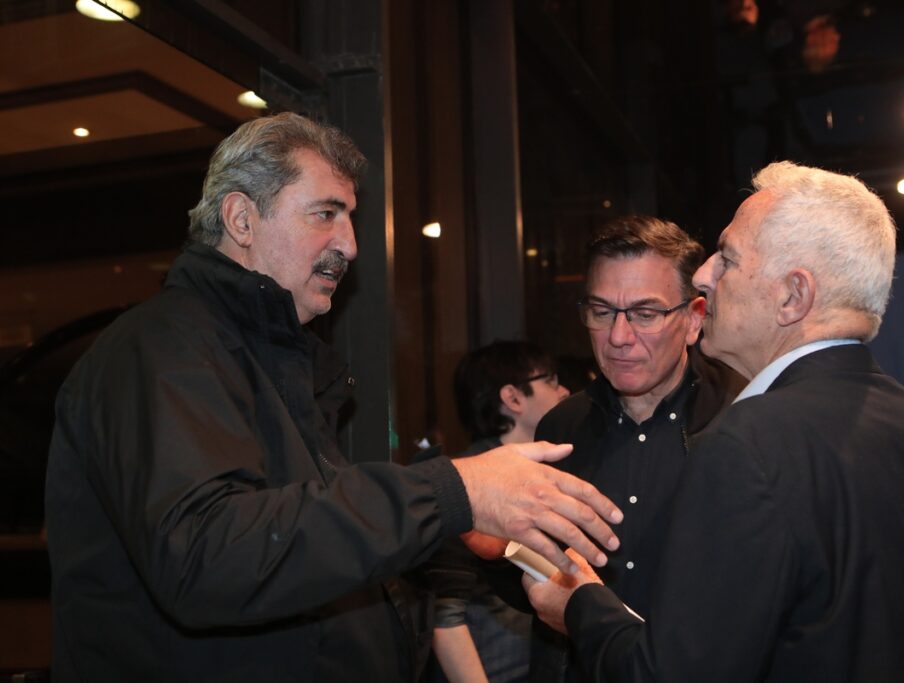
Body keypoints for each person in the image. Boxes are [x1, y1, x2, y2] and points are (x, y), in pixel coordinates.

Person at [44, 112, 623, 682]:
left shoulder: (270, 359)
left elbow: (305, 549)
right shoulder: (160, 349)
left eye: (348, 218)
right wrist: (453, 491)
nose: (349, 244)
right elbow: (208, 555)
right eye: (325, 214)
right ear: (242, 219)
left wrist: (453, 539)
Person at [526, 161, 904, 681]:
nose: (704, 275)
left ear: (793, 296)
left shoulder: (747, 442)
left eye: (728, 258)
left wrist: (580, 604)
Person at [529, 215, 747, 680]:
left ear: (694, 318)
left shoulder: (744, 423)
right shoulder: (560, 428)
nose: (618, 337)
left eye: (645, 314)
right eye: (602, 312)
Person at [426, 341, 569, 682]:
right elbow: (445, 615)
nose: (564, 391)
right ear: (512, 398)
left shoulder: (544, 476)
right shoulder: (467, 483)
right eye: (550, 380)